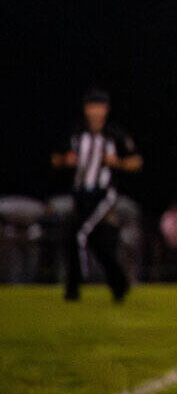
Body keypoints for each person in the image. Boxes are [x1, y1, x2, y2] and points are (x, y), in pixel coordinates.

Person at [52, 88, 141, 302]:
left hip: (104, 195)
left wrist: (117, 162)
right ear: (86, 109)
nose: (96, 111)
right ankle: (119, 284)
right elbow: (55, 159)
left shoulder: (114, 134)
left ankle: (74, 288)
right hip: (80, 194)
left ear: (106, 109)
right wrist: (65, 160)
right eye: (92, 106)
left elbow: (136, 161)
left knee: (78, 235)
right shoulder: (76, 133)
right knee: (96, 241)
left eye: (100, 106)